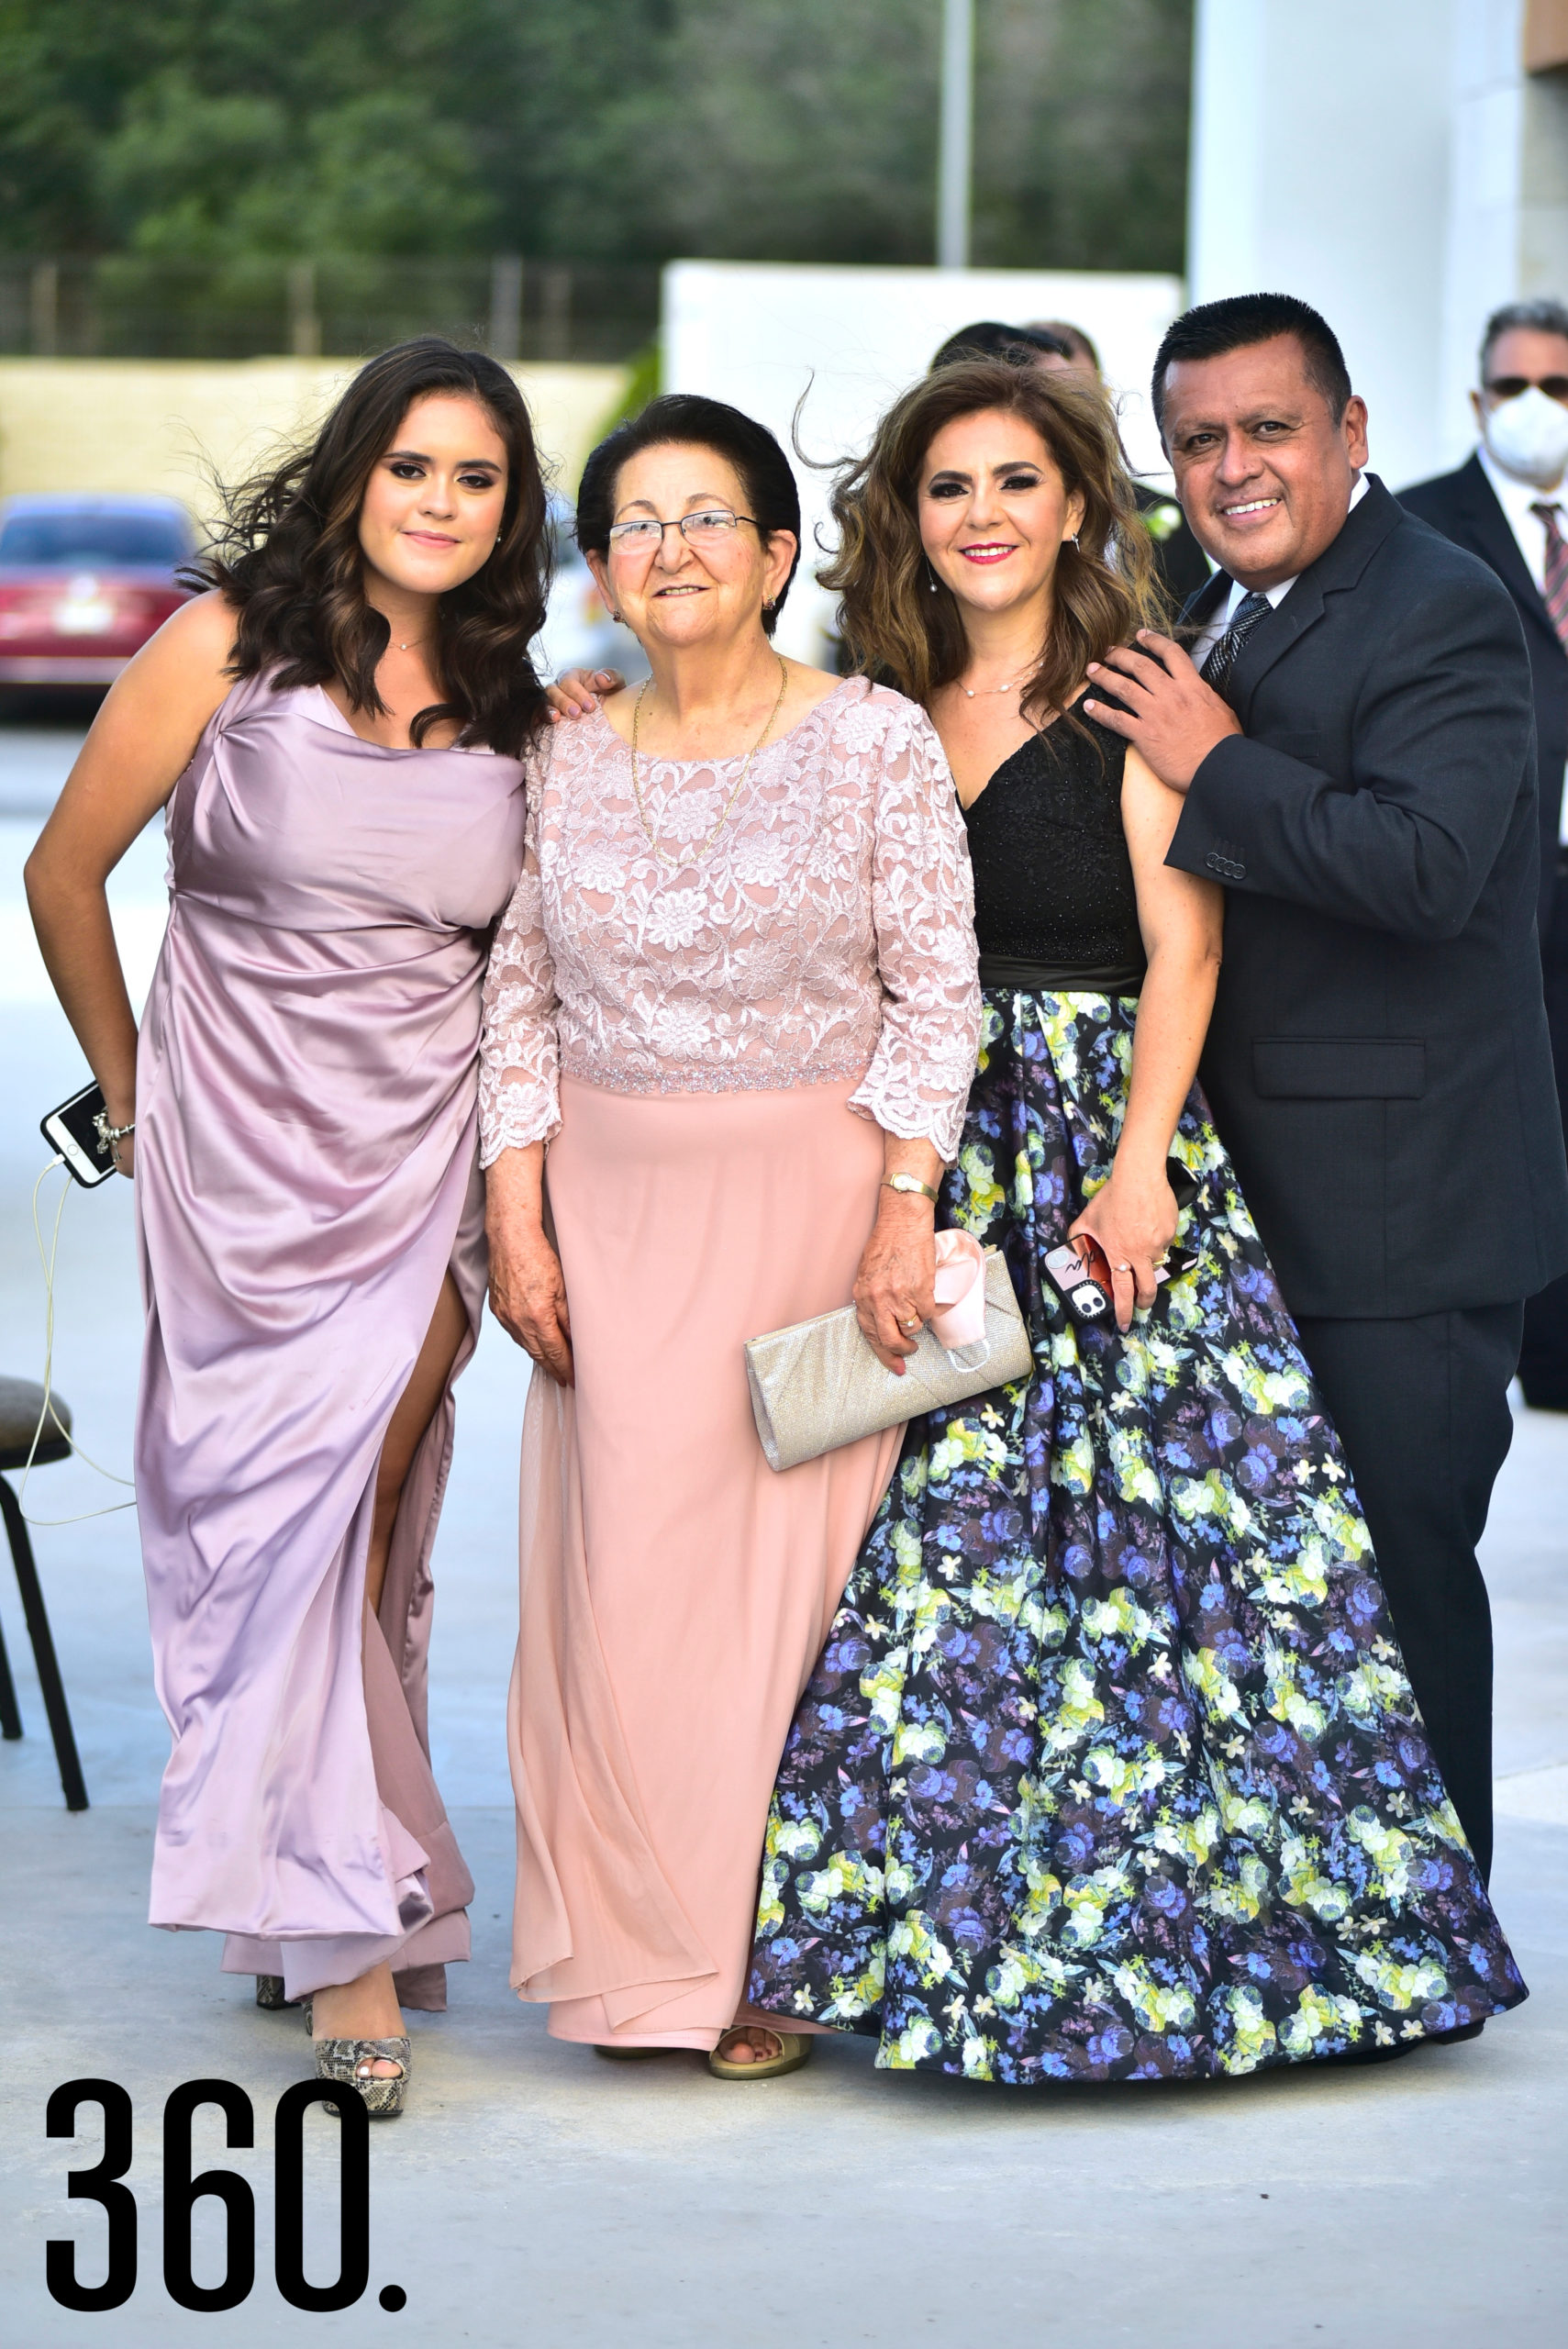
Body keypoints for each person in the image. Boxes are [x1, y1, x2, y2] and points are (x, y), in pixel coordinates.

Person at [740, 352, 1526, 2084]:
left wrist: (1133, 1168)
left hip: (1107, 1153)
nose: (981, 517)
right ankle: (930, 1947)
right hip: (916, 1158)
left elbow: (1185, 950)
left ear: (1079, 503)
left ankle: (1214, 1956)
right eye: (948, 487)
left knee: (1186, 1576)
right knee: (940, 1573)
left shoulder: (1129, 688)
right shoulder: (858, 704)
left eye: (1016, 482)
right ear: (903, 517)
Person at [25, 338, 550, 2119]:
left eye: (475, 478)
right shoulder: (223, 644)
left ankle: (324, 1903)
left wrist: (512, 1192)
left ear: (509, 507)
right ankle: (339, 1926)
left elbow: (528, 971)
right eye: (413, 466)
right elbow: (62, 865)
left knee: (361, 1520)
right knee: (264, 1529)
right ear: (352, 471)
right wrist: (126, 1079)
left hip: (419, 1166)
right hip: (232, 1160)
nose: (440, 503)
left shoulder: (511, 690)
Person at [479, 393, 980, 2078]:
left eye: (707, 518)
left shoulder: (872, 741)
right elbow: (517, 1002)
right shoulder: (555, 749)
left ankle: (753, 1959)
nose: (669, 547)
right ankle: (633, 1960)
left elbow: (936, 994)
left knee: (785, 1611)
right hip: (610, 1224)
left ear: (774, 554)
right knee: (626, 1599)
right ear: (599, 565)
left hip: (812, 1218)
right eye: (635, 519)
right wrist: (514, 1216)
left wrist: (903, 1207)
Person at [1078, 290, 1568, 1892]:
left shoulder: (1438, 603)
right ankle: (1322, 1925)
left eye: (1267, 429)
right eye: (1197, 439)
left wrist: (1215, 760)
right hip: (1254, 1195)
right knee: (1285, 1589)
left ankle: (1431, 1923)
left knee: (1397, 1571)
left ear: (1350, 435)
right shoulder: (1207, 604)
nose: (1232, 466)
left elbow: (1427, 872)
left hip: (1402, 1207)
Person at [1401, 299, 1568, 1411]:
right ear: (1474, 398)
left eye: (1555, 387)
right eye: (1511, 386)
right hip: (1489, 881)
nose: (1532, 408)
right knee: (1507, 1116)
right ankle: (1521, 1349)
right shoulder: (1419, 529)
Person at [1029, 316, 1213, 605]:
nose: (1069, 414)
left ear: (1104, 397)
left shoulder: (1169, 521)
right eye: (1050, 401)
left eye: (1080, 396)